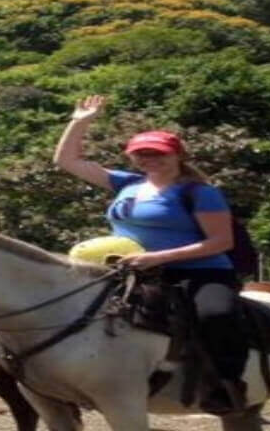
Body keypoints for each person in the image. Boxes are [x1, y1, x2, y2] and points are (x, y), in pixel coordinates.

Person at [55, 94, 243, 408]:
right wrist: (80, 122)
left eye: (158, 153)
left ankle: (228, 385)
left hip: (198, 272)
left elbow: (221, 242)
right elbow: (66, 161)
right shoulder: (126, 184)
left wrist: (157, 258)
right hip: (133, 270)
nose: (149, 159)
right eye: (141, 154)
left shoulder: (200, 193)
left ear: (178, 155)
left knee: (216, 316)